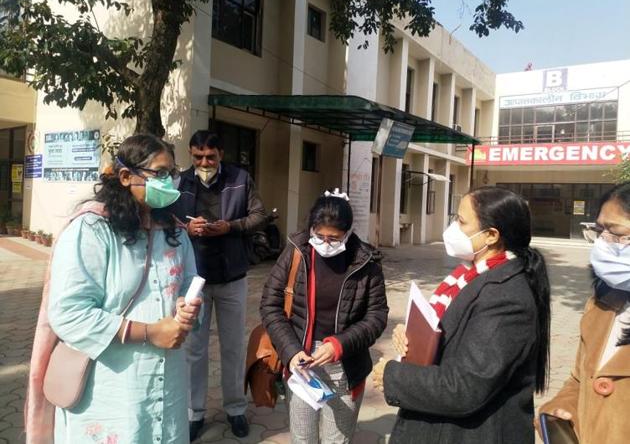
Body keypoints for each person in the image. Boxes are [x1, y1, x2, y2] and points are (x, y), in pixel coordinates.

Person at [25, 134, 202, 443]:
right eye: (159, 173)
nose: (170, 182)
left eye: (172, 173)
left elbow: (187, 283)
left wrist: (187, 307)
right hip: (111, 389)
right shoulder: (92, 229)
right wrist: (149, 332)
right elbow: (69, 313)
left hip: (168, 384)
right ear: (125, 176)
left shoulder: (174, 231)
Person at [373, 186, 551, 443]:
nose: (452, 228)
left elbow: (467, 386)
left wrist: (392, 376)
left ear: (491, 235)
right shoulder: (471, 274)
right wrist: (412, 334)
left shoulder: (506, 297)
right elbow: (449, 331)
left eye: (461, 221)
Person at [260, 190, 389, 443]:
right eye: (319, 236)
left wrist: (339, 345)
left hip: (346, 363)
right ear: (311, 230)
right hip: (301, 360)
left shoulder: (366, 263)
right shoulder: (296, 252)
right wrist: (291, 350)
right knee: (302, 437)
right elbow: (270, 305)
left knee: (337, 439)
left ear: (348, 233)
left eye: (334, 238)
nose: (326, 244)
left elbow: (376, 316)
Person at [172, 130, 266, 440]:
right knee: (194, 349)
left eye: (210, 156)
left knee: (232, 347)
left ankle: (236, 409)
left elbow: (258, 216)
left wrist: (231, 226)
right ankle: (194, 412)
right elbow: (165, 220)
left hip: (232, 277)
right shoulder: (180, 181)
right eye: (198, 157)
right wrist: (187, 227)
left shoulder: (240, 178)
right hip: (193, 279)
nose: (204, 162)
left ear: (221, 154)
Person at [538, 182, 630, 443]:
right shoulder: (602, 303)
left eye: (614, 231)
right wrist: (563, 410)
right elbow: (580, 381)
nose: (603, 242)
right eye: (600, 230)